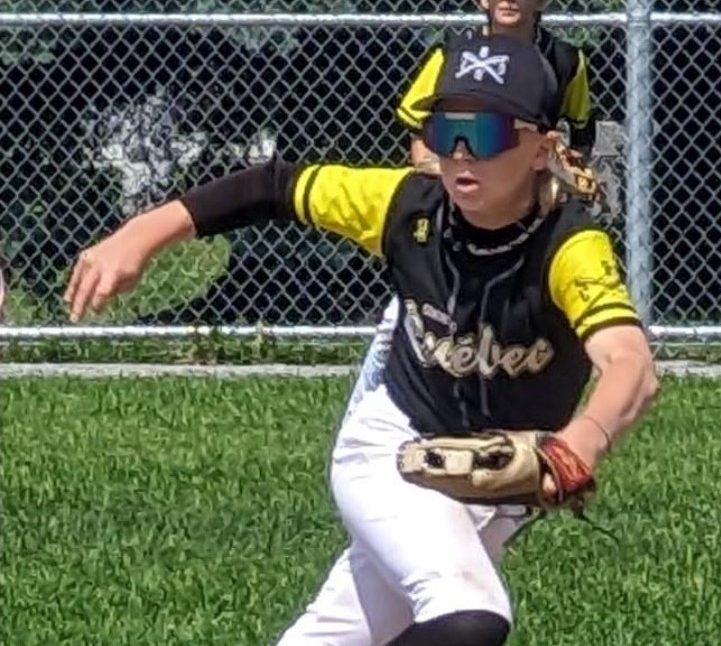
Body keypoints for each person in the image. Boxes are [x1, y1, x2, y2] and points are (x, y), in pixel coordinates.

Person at [65, 34, 658, 646]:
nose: (458, 153)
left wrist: (581, 443)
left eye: (484, 134)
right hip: (392, 448)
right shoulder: (404, 205)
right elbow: (274, 185)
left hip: (490, 483)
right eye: (441, 129)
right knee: (470, 619)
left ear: (543, 147)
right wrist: (141, 233)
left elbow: (630, 363)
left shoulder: (568, 246)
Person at [345, 0, 596, 423]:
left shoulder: (567, 61)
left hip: (526, 224)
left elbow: (579, 138)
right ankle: (368, 423)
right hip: (456, 220)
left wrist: (563, 176)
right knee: (410, 318)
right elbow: (419, 136)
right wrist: (454, 175)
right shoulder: (453, 52)